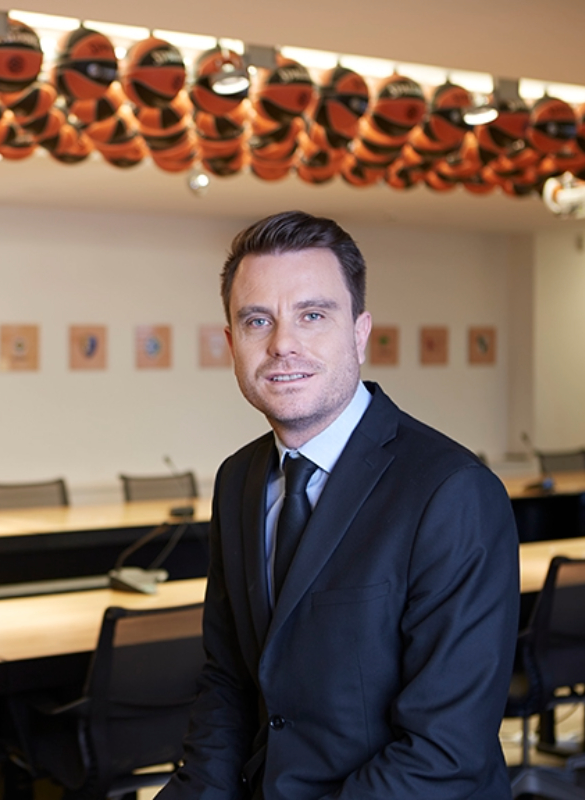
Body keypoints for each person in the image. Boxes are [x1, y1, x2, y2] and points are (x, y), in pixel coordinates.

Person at [159, 211, 520, 799]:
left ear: (359, 333)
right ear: (231, 344)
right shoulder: (237, 481)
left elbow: (444, 751)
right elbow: (228, 684)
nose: (282, 344)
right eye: (257, 320)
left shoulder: (452, 491)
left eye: (313, 315)